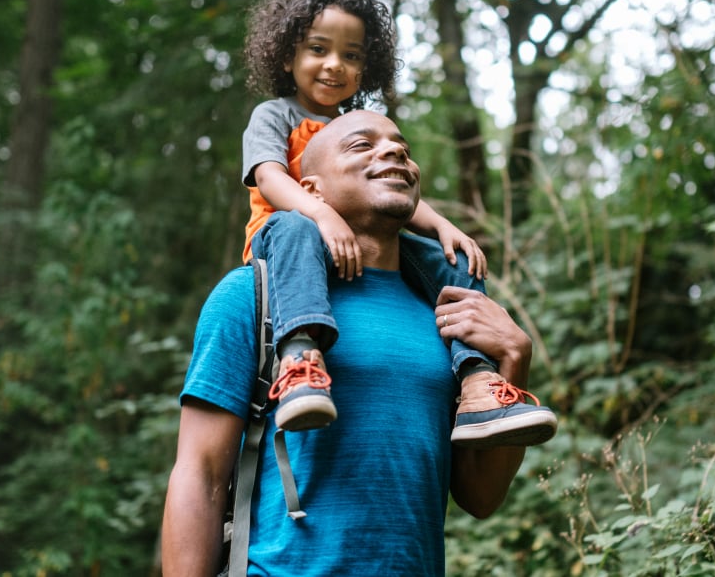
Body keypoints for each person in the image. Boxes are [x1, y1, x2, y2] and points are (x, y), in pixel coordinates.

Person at [161, 110, 546, 575]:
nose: (395, 151)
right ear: (312, 191)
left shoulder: (453, 312)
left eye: (401, 146)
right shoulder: (251, 296)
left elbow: (480, 497)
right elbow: (199, 475)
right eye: (362, 145)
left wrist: (513, 359)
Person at [239, 0, 555, 445]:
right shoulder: (275, 115)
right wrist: (321, 214)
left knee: (452, 260)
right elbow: (269, 178)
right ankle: (301, 358)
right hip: (289, 241)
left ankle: (477, 382)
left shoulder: (359, 123)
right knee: (293, 225)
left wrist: (444, 227)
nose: (334, 65)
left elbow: (392, 193)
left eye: (351, 56)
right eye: (318, 49)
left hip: (360, 243)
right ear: (287, 57)